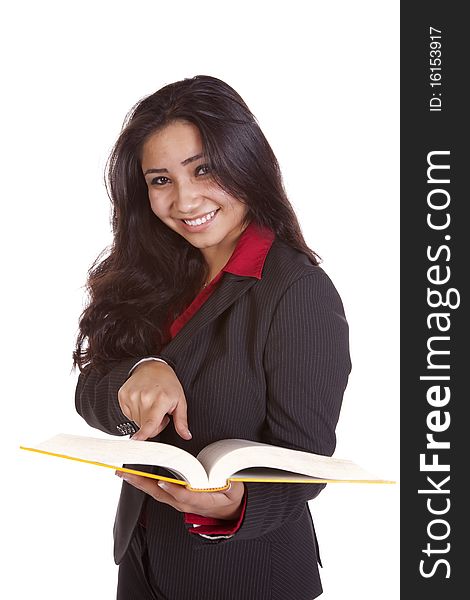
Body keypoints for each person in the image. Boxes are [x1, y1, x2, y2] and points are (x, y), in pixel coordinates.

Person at [73, 74, 351, 600]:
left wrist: (236, 504)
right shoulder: (152, 271)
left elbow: (307, 465)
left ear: (245, 161)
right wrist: (136, 375)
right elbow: (91, 391)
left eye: (204, 169)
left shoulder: (296, 292)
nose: (184, 199)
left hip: (242, 576)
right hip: (143, 557)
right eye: (160, 180)